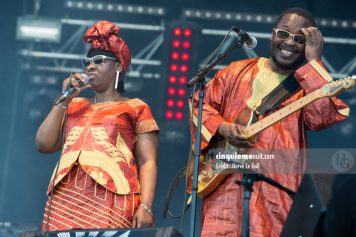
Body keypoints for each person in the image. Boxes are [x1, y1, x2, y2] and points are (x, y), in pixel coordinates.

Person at [190, 8, 350, 237]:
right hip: (223, 185)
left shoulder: (306, 85)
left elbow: (322, 116)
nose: (289, 42)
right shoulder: (237, 71)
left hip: (272, 194)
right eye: (283, 34)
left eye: (299, 39)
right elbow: (198, 104)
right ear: (272, 35)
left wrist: (314, 62)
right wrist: (223, 127)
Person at [36, 20, 159, 231]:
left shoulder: (136, 107)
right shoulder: (74, 104)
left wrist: (146, 206)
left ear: (118, 66)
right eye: (87, 62)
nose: (90, 66)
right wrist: (63, 100)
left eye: (99, 60)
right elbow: (43, 144)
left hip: (112, 198)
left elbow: (147, 161)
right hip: (65, 199)